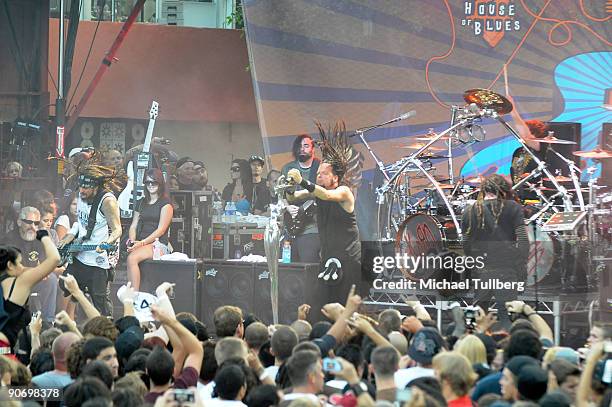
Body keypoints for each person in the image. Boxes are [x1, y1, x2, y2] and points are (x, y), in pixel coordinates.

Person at [286, 122, 362, 299]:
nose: (319, 176)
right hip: (328, 255)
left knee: (344, 303)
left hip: (347, 258)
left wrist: (303, 181)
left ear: (335, 177)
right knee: (323, 301)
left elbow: (326, 195)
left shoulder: (344, 191)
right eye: (318, 173)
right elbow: (293, 197)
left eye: (323, 174)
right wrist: (289, 185)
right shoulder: (317, 191)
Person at [461, 174, 529, 330]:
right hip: (507, 270)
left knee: (478, 315)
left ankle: (470, 345)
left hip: (482, 270)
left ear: (483, 190)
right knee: (507, 316)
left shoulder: (470, 210)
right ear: (504, 190)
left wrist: (473, 264)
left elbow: (465, 243)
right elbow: (523, 241)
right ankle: (508, 347)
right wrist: (521, 265)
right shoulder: (513, 207)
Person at [58, 164, 125, 316]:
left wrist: (107, 243)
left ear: (96, 187)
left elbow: (117, 230)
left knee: (100, 301)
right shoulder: (81, 195)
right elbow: (80, 223)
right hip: (80, 254)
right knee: (65, 284)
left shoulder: (108, 201)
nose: (82, 191)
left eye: (86, 188)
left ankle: (107, 331)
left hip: (99, 259)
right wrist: (70, 235)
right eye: (80, 187)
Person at [0, 229, 60, 354]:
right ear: (10, 265)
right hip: (4, 356)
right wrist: (44, 236)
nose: (22, 267)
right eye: (19, 263)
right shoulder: (18, 283)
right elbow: (54, 259)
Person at [2, 207, 59, 325]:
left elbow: (45, 261)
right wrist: (37, 272)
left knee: (52, 279)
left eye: (36, 223)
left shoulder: (39, 240)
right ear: (19, 222)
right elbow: (11, 269)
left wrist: (44, 271)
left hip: (34, 280)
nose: (32, 226)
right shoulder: (9, 240)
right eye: (28, 222)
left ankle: (48, 321)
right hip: (13, 281)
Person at [126, 169, 173, 290]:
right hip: (141, 243)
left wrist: (141, 243)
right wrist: (132, 241)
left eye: (154, 182)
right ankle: (132, 292)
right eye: (148, 182)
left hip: (158, 244)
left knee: (132, 258)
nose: (151, 185)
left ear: (160, 183)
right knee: (131, 257)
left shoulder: (165, 203)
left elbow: (161, 230)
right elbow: (133, 225)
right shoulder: (141, 202)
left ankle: (133, 296)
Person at [281, 135, 321, 263]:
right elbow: (280, 195)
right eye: (300, 146)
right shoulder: (288, 168)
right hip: (290, 226)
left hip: (312, 227)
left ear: (313, 149)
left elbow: (324, 193)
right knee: (290, 271)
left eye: (306, 145)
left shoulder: (320, 167)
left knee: (307, 267)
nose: (302, 149)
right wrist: (288, 207)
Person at [506, 94, 550, 201]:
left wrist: (513, 110)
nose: (519, 134)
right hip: (517, 198)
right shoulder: (518, 151)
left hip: (534, 198)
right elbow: (514, 176)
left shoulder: (540, 148)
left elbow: (526, 136)